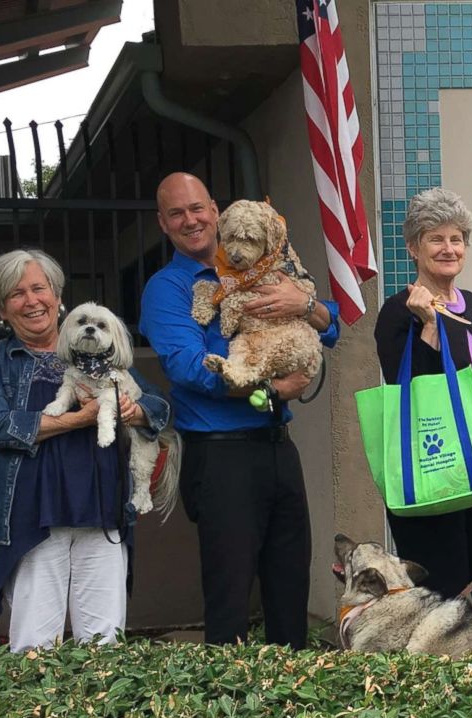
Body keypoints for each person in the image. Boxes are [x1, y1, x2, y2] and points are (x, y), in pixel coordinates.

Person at [138, 172, 340, 649]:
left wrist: (304, 302)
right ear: (163, 224)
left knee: (291, 590)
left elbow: (330, 329)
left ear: (216, 210)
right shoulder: (167, 288)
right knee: (229, 600)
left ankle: (293, 706)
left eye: (198, 208)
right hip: (220, 456)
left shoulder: (270, 264)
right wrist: (270, 391)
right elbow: (189, 368)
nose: (191, 221)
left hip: (277, 450)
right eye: (177, 213)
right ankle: (227, 711)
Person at [0, 248, 172, 652]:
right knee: (34, 646)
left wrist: (136, 410)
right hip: (32, 516)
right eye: (16, 294)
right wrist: (79, 418)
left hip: (102, 508)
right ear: (1, 309)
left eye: (39, 288)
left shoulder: (103, 353)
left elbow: (158, 406)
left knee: (105, 642)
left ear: (58, 297)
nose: (31, 300)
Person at [374, 188, 472, 604]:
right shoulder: (397, 311)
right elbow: (412, 391)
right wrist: (427, 323)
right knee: (444, 599)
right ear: (413, 247)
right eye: (435, 238)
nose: (449, 248)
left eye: (456, 239)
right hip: (437, 468)